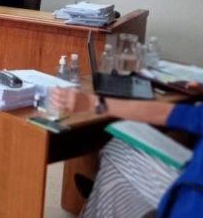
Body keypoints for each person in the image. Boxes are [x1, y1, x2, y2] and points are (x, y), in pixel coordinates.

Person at [50, 86, 203, 217]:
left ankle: (98, 202)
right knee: (169, 135)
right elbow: (176, 115)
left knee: (118, 150)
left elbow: (167, 114)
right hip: (191, 177)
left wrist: (91, 102)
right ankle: (99, 199)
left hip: (189, 197)